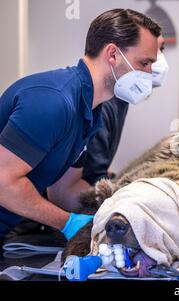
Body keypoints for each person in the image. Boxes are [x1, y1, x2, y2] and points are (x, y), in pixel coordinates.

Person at [0, 9, 162, 245]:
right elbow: (4, 182)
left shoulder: (90, 110)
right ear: (113, 55)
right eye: (144, 63)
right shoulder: (54, 101)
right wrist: (67, 222)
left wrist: (120, 207)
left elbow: (65, 188)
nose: (150, 74)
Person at [46, 35, 169, 211]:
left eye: (161, 49)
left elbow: (95, 173)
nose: (155, 62)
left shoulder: (120, 100)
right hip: (42, 222)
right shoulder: (101, 104)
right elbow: (69, 191)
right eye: (147, 55)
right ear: (115, 55)